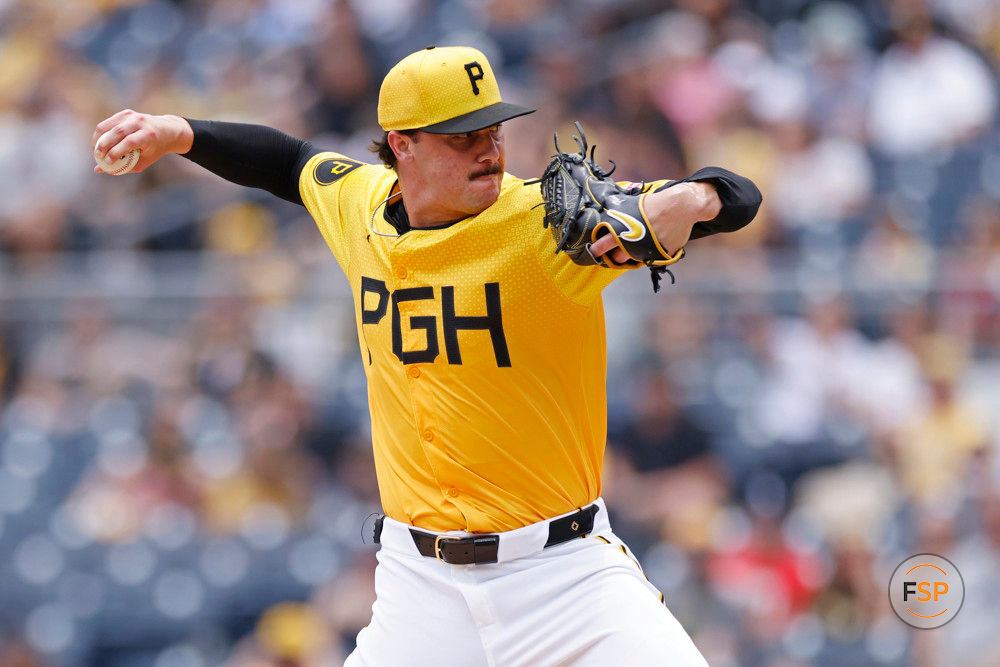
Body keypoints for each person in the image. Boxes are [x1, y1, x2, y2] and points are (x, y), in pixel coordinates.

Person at [93, 45, 761, 666]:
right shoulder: (361, 206)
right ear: (401, 146)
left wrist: (693, 199)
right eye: (462, 136)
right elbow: (287, 161)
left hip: (565, 577)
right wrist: (180, 133)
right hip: (421, 589)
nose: (489, 150)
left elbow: (737, 198)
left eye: (493, 131)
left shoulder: (548, 226)